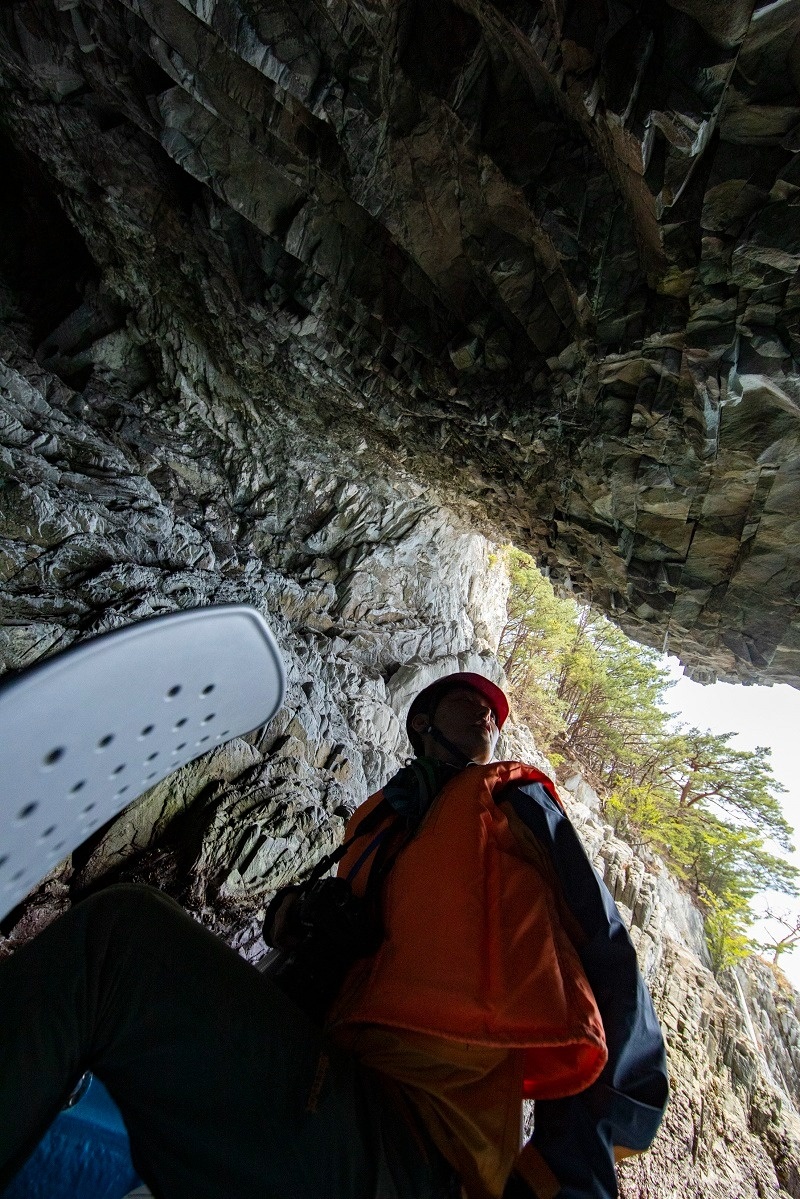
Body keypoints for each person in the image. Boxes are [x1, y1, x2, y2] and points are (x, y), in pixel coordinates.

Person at [0, 672, 667, 1199]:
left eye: (493, 710)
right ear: (424, 724)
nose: (487, 713)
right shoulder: (377, 831)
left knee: (118, 940)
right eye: (468, 700)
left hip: (416, 1145)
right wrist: (295, 921)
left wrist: (563, 1181)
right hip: (334, 1096)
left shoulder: (511, 802)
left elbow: (609, 958)